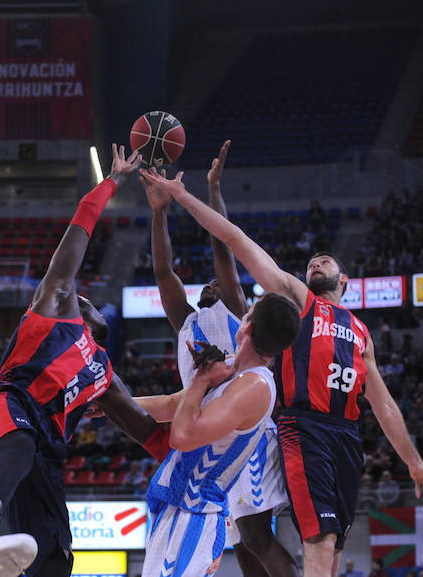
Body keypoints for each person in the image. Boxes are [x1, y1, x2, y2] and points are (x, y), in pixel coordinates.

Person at [142, 167, 423, 577]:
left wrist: (413, 460)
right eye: (312, 262)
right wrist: (184, 197)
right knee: (313, 540)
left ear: (346, 279)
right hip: (300, 427)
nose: (317, 261)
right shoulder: (300, 300)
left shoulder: (360, 332)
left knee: (331, 545)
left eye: (326, 259)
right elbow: (235, 241)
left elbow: (385, 404)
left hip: (347, 435)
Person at [0, 145, 167, 577]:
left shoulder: (104, 374)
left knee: (56, 557)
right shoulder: (56, 304)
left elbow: (145, 430)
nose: (88, 297)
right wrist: (114, 181)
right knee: (18, 443)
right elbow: (80, 228)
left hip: (47, 449)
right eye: (86, 297)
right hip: (3, 403)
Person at [140, 143, 296, 577]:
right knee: (241, 542)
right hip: (208, 428)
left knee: (255, 535)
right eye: (206, 284)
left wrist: (212, 190)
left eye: (218, 283)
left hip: (238, 431)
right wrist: (158, 212)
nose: (212, 283)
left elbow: (223, 244)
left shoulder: (235, 309)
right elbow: (163, 272)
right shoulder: (187, 322)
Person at [134, 293, 301, 577]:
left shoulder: (254, 386)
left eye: (247, 313)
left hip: (196, 510)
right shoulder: (234, 370)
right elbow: (173, 405)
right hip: (179, 503)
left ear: (246, 327)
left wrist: (201, 379)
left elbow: (182, 436)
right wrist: (109, 403)